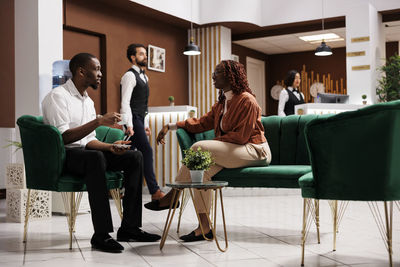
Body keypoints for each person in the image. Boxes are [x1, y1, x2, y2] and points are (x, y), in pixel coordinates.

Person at [42, 53, 160, 253]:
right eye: (96, 69)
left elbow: (89, 141)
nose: (100, 74)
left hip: (86, 153)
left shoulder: (87, 101)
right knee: (95, 158)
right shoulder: (57, 97)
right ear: (81, 71)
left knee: (134, 156)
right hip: (65, 157)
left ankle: (130, 228)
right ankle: (101, 235)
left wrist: (111, 147)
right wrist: (98, 121)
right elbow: (63, 138)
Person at [149, 60, 272, 242]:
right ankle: (204, 228)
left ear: (231, 76)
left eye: (218, 72)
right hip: (236, 149)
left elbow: (241, 137)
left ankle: (173, 196)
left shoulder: (247, 100)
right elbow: (201, 123)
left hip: (255, 150)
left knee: (199, 148)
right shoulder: (222, 102)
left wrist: (211, 144)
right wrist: (171, 125)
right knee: (200, 173)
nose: (213, 76)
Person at [120, 44, 164, 203]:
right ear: (133, 57)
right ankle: (155, 191)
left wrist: (145, 124)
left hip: (140, 118)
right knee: (146, 150)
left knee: (130, 155)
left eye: (145, 54)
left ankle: (124, 189)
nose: (145, 56)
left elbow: (143, 104)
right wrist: (128, 124)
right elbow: (125, 102)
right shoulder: (129, 76)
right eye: (141, 54)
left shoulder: (145, 77)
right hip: (132, 119)